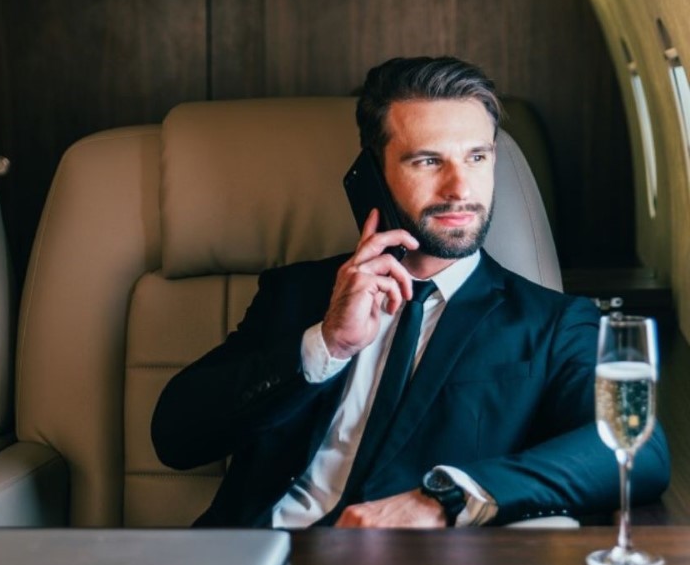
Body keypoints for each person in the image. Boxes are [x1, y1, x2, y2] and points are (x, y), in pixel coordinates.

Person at [150, 56, 667, 528]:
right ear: (373, 175)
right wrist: (326, 345)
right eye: (427, 161)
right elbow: (174, 437)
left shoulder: (555, 324)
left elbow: (639, 452)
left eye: (477, 158)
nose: (460, 189)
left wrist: (444, 499)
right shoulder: (297, 292)